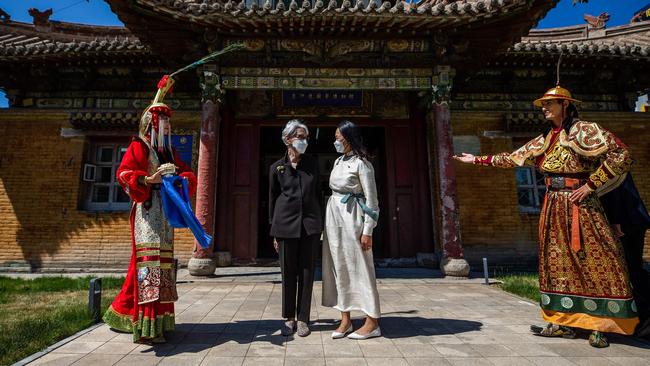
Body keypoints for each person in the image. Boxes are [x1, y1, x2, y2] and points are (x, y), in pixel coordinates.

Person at [454, 85, 639, 348]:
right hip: (553, 204)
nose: (544, 108)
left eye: (549, 104)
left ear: (565, 105)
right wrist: (476, 160)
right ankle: (565, 322)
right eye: (543, 104)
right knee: (557, 263)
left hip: (581, 205)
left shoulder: (584, 130)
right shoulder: (545, 138)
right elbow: (513, 158)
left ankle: (601, 325)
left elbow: (622, 155)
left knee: (595, 258)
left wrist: (591, 184)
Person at [103, 76, 197, 343]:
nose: (167, 127)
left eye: (168, 123)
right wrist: (147, 179)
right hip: (147, 212)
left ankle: (161, 322)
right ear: (151, 124)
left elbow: (188, 174)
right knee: (149, 266)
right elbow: (123, 174)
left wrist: (182, 180)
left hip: (165, 213)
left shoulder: (168, 152)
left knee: (164, 267)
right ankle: (146, 329)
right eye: (162, 123)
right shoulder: (139, 146)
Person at [322, 120, 381, 340]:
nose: (336, 141)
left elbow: (372, 200)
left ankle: (372, 321)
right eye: (336, 137)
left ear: (349, 138)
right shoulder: (338, 161)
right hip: (334, 215)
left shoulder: (362, 164)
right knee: (338, 266)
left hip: (353, 217)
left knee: (362, 268)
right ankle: (345, 319)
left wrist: (368, 230)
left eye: (339, 137)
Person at [269, 120, 322, 337]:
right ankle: (289, 318)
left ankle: (303, 319)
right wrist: (274, 230)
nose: (304, 141)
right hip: (284, 227)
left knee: (307, 273)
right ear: (288, 139)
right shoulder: (276, 168)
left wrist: (320, 224)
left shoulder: (312, 165)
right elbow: (272, 199)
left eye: (305, 137)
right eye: (300, 137)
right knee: (288, 273)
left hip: (309, 226)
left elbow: (318, 194)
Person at [600, 173, 650, 338]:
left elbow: (616, 187)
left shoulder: (606, 155)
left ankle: (645, 321)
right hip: (626, 220)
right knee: (629, 270)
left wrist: (616, 220)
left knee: (630, 270)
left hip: (626, 222)